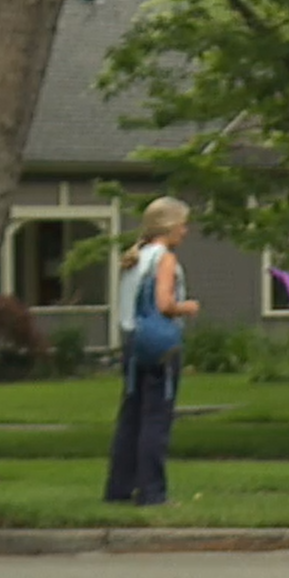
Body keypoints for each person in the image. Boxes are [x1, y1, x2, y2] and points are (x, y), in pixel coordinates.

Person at [104, 197, 201, 507]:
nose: (185, 231)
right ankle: (152, 492)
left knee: (131, 417)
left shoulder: (136, 257)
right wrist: (187, 307)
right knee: (156, 419)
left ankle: (119, 488)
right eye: (182, 224)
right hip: (160, 345)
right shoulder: (165, 258)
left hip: (134, 343)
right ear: (169, 226)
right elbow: (164, 304)